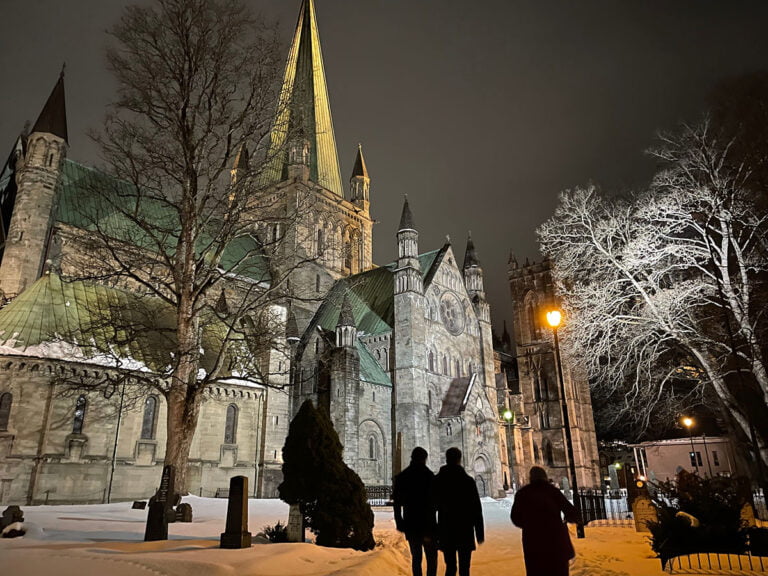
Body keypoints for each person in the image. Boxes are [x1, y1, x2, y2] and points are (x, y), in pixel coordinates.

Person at [511, 466, 581, 576]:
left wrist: (529, 525)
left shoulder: (522, 493)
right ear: (545, 477)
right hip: (555, 544)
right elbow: (573, 513)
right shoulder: (553, 491)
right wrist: (565, 520)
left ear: (531, 478)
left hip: (533, 544)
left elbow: (515, 518)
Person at [432, 447, 484, 576]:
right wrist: (479, 533)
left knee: (450, 567)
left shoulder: (438, 480)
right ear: (460, 460)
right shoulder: (468, 481)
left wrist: (434, 531)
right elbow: (476, 508)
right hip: (464, 529)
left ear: (447, 459)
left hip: (446, 528)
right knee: (464, 568)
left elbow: (432, 505)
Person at [393, 447, 438, 576]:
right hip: (428, 525)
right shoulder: (429, 476)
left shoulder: (403, 477)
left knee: (416, 558)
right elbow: (436, 502)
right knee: (431, 558)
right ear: (424, 459)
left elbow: (397, 502)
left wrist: (399, 522)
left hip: (411, 524)